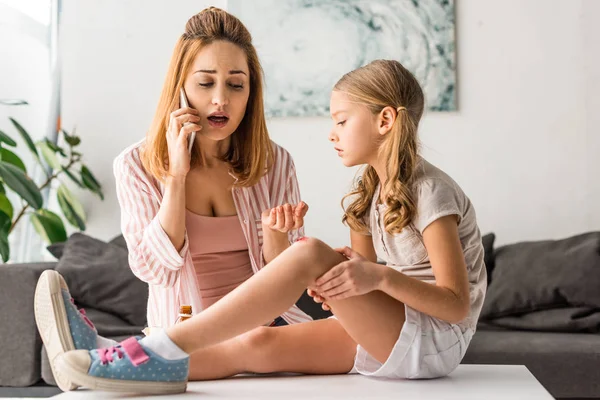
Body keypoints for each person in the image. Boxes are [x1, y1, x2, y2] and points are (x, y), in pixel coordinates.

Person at [44, 43, 488, 396]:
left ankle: (152, 346)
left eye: (341, 120)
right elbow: (369, 283)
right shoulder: (366, 196)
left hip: (434, 339)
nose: (331, 133)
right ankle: (104, 359)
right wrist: (344, 285)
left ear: (385, 120)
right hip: (397, 328)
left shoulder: (430, 192)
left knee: (308, 251)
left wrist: (372, 277)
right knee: (256, 344)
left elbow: (455, 303)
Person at [33, 7, 311, 392]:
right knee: (238, 342)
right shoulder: (137, 165)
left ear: (251, 93)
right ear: (179, 88)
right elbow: (154, 270)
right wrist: (176, 178)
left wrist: (277, 238)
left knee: (269, 338)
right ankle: (121, 357)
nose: (220, 100)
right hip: (186, 330)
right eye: (205, 83)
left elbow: (287, 281)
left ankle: (108, 355)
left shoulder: (274, 163)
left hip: (269, 326)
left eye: (235, 85)